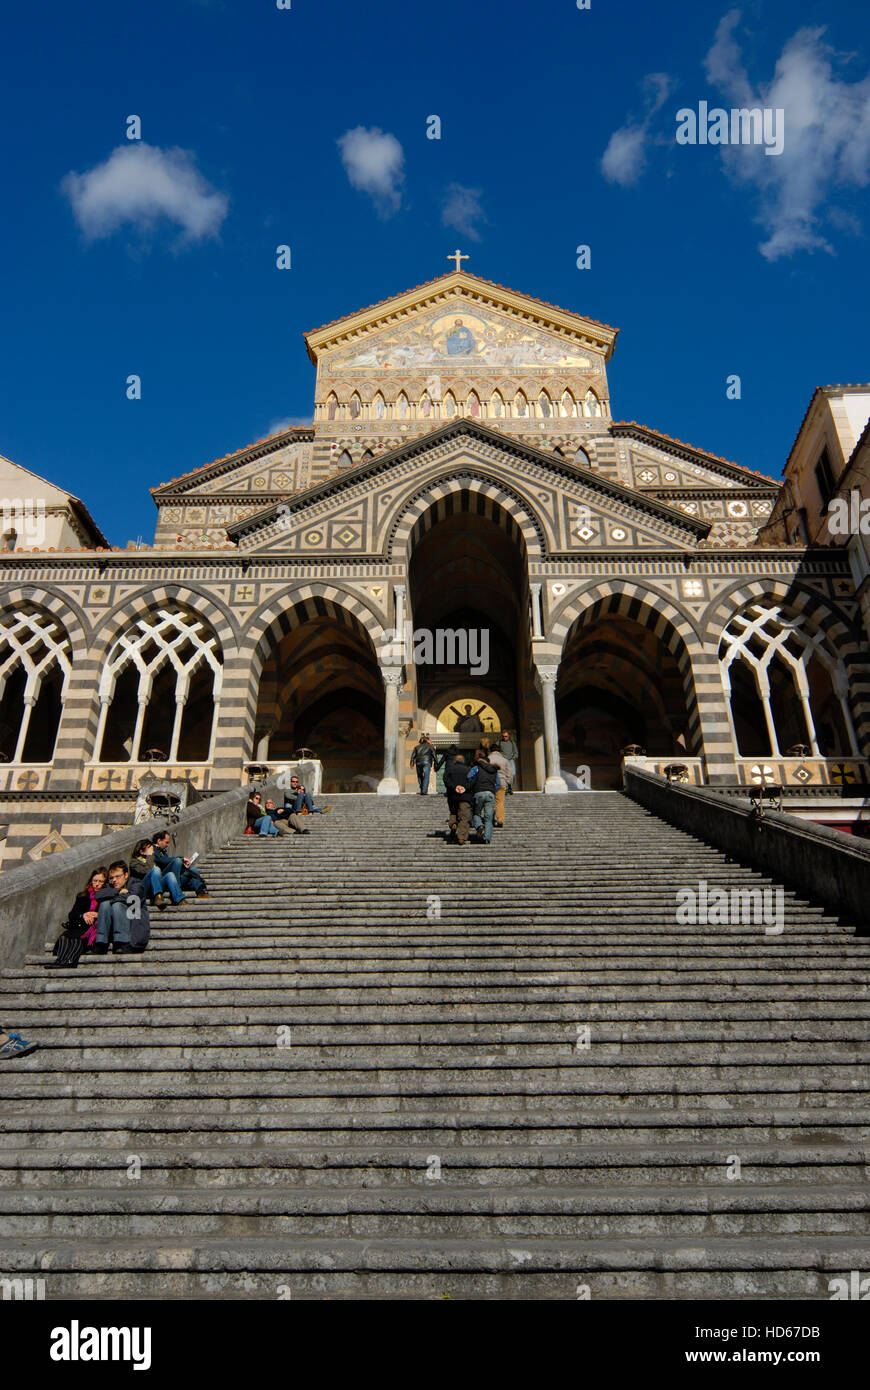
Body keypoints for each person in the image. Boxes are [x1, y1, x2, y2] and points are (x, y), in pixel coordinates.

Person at [46, 865, 108, 969]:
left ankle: (71, 961)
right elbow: (72, 914)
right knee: (64, 937)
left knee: (78, 938)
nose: (97, 884)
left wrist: (97, 914)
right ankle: (61, 961)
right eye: (95, 881)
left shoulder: (106, 896)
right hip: (79, 924)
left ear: (105, 883)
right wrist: (83, 915)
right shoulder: (83, 896)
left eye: (100, 881)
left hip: (92, 928)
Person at [93, 860, 150, 956]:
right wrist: (118, 891)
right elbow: (98, 895)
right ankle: (101, 943)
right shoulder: (110, 886)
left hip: (135, 925)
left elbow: (133, 898)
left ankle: (121, 942)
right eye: (111, 878)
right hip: (117, 924)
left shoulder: (136, 884)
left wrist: (114, 899)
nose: (114, 880)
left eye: (118, 876)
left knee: (117, 904)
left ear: (126, 875)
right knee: (104, 904)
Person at [152, 830, 210, 898]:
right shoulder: (152, 849)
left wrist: (182, 865)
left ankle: (201, 892)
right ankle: (176, 890)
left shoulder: (163, 851)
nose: (168, 845)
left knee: (192, 870)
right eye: (166, 842)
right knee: (177, 861)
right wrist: (180, 859)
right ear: (159, 841)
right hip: (164, 879)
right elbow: (161, 860)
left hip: (175, 878)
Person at [129, 838, 182, 909]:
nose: (153, 851)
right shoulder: (134, 862)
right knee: (156, 869)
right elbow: (146, 872)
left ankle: (180, 899)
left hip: (155, 885)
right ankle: (158, 896)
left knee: (170, 875)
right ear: (142, 852)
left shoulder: (150, 860)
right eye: (150, 849)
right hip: (143, 888)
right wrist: (150, 858)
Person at [443, 754, 474, 845]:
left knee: (453, 812)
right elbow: (472, 781)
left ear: (455, 761)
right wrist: (464, 788)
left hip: (453, 796)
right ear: (463, 761)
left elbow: (446, 780)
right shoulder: (469, 770)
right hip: (465, 796)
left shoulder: (449, 769)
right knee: (464, 817)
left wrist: (454, 787)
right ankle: (461, 837)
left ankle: (453, 824)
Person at [469, 750, 499, 844]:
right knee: (489, 818)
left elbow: (469, 778)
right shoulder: (494, 770)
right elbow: (498, 784)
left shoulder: (476, 768)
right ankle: (487, 839)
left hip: (478, 793)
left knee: (476, 813)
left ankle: (479, 826)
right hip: (490, 794)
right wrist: (493, 791)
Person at [486, 744, 513, 826]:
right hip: (502, 783)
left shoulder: (487, 760)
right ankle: (500, 819)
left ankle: (489, 819)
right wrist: (507, 782)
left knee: (489, 803)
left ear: (490, 750)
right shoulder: (504, 760)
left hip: (489, 783)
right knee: (500, 802)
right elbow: (510, 773)